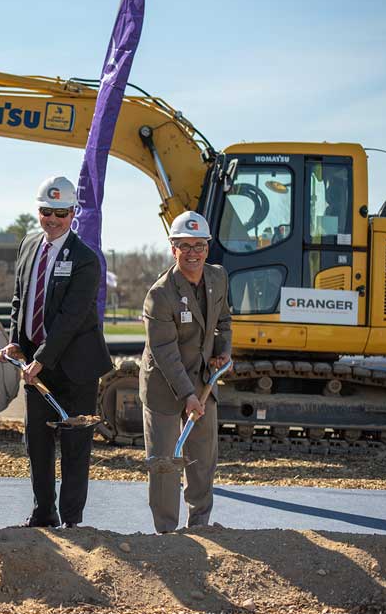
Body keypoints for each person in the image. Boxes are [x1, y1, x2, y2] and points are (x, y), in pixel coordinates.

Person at [0, 176, 112, 529]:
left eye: (61, 213)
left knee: (75, 446)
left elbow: (71, 318)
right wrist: (16, 342)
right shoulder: (28, 246)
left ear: (72, 213)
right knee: (37, 442)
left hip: (76, 367)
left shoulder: (86, 259)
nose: (53, 219)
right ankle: (44, 512)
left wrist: (40, 359)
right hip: (36, 364)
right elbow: (19, 300)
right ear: (38, 211)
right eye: (46, 211)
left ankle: (72, 521)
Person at [140, 210, 232, 533]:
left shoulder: (218, 277)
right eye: (185, 246)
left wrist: (223, 351)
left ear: (207, 248)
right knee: (165, 462)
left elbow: (223, 322)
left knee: (203, 458)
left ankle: (199, 526)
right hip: (164, 386)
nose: (193, 253)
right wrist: (188, 395)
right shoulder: (159, 294)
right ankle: (166, 532)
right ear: (173, 249)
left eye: (199, 245)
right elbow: (165, 353)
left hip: (203, 382)